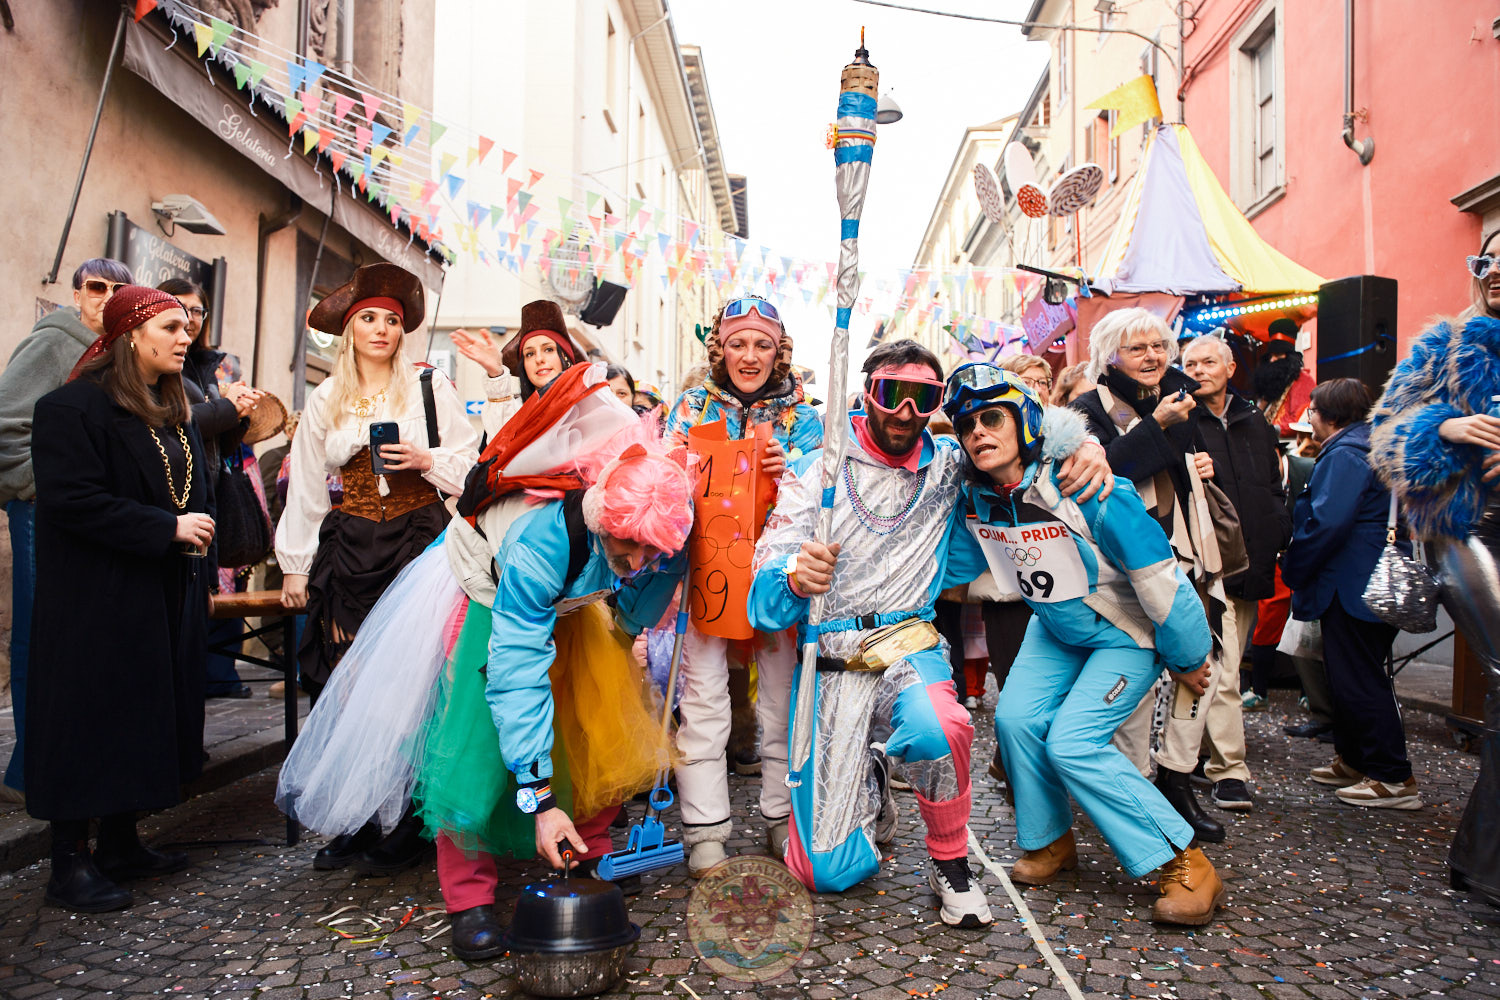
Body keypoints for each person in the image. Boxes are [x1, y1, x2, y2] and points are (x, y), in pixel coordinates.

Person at [277, 364, 690, 960]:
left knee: (590, 723)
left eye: (651, 550)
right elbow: (517, 677)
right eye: (628, 550)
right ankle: (468, 894)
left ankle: (589, 851)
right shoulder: (540, 545)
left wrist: (629, 618)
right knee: (473, 744)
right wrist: (539, 800)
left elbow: (654, 576)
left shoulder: (663, 517)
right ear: (604, 521)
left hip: (573, 601)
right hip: (490, 595)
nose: (638, 562)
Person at [746, 339, 1111, 927]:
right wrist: (793, 575)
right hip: (833, 658)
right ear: (868, 394)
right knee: (826, 871)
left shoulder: (948, 464)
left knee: (942, 725)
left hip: (908, 643)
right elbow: (762, 592)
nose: (906, 410)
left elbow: (1024, 444)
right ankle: (872, 779)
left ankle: (950, 862)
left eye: (925, 397)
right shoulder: (820, 469)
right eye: (893, 393)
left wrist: (1087, 445)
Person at [942, 363, 1224, 925]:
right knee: (1016, 720)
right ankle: (1050, 840)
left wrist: (1189, 656)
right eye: (967, 425)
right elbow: (953, 566)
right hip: (1058, 628)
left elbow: (1161, 579)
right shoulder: (981, 497)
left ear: (1025, 421)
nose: (978, 432)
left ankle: (1185, 861)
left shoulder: (1090, 484)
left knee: (1072, 743)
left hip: (1125, 633)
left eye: (992, 418)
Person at [275, 262, 480, 873]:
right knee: (348, 682)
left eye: (391, 320)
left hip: (418, 543)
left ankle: (415, 821)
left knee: (423, 684)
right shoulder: (325, 397)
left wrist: (425, 458)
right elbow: (306, 486)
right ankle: (357, 816)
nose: (381, 329)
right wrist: (295, 565)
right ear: (350, 328)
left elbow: (472, 462)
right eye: (368, 318)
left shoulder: (428, 387)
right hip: (350, 548)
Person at [25, 286, 212, 912]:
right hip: (93, 597)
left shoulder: (167, 408)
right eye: (170, 327)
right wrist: (166, 527)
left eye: (186, 326)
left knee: (140, 715)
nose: (185, 337)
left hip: (156, 588)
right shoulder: (70, 407)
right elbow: (71, 501)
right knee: (86, 720)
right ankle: (68, 863)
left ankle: (121, 843)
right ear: (131, 335)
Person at [663, 296, 821, 875]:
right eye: (738, 343)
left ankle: (782, 816)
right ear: (720, 349)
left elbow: (827, 493)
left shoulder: (804, 417)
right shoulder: (691, 406)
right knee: (704, 701)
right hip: (709, 573)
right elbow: (663, 482)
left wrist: (793, 466)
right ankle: (704, 827)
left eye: (762, 344)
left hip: (778, 579)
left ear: (779, 352)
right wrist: (685, 470)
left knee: (781, 701)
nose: (749, 355)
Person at [1369, 229, 1500, 903]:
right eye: (1487, 258)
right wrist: (1442, 429)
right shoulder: (1445, 345)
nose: (1496, 269)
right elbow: (1383, 434)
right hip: (1469, 528)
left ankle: (1479, 855)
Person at [1070, 308, 1226, 843]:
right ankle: (1134, 789)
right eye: (1137, 348)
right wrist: (1155, 427)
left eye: (1159, 345)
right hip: (1121, 568)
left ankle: (1177, 779)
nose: (1153, 356)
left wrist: (1200, 466)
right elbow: (1097, 477)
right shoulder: (1086, 411)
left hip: (1184, 555)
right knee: (1134, 685)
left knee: (1199, 667)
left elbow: (1194, 469)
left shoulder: (1182, 398)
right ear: (1109, 356)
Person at [0, 257, 133, 798]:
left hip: (85, 513)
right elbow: (6, 422)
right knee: (39, 634)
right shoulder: (56, 340)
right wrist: (38, 483)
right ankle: (27, 772)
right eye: (97, 287)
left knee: (74, 636)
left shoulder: (115, 351)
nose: (107, 297)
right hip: (41, 508)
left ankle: (64, 768)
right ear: (76, 295)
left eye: (119, 289)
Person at [1282, 378, 1422, 810]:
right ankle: (1356, 760)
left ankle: (1392, 776)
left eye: (1312, 411)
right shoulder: (1370, 445)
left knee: (1359, 678)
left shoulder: (1346, 453)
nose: (1309, 418)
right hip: (1363, 579)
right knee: (1350, 676)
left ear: (1328, 415)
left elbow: (1327, 521)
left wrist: (1294, 565)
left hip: (1351, 583)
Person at [1181, 336, 1289, 811]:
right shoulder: (1180, 420)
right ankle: (1230, 770)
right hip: (1206, 562)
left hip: (1252, 559)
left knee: (1229, 663)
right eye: (1190, 363)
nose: (1199, 370)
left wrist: (1279, 526)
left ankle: (1205, 755)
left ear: (1229, 368)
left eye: (1208, 361)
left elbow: (1273, 484)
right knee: (1223, 673)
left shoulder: (1255, 421)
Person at [159, 277, 265, 700]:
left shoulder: (213, 365)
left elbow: (219, 442)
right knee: (180, 601)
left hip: (212, 488)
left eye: (197, 311)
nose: (189, 320)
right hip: (173, 496)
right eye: (179, 309)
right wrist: (225, 408)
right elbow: (176, 424)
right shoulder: (159, 366)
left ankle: (214, 679)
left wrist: (239, 414)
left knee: (212, 590)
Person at [1252, 319, 1316, 436]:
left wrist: (1269, 430)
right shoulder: (1272, 385)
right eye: (1271, 356)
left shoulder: (1303, 380)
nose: (1272, 360)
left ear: (1289, 358)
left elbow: (1300, 422)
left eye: (1277, 355)